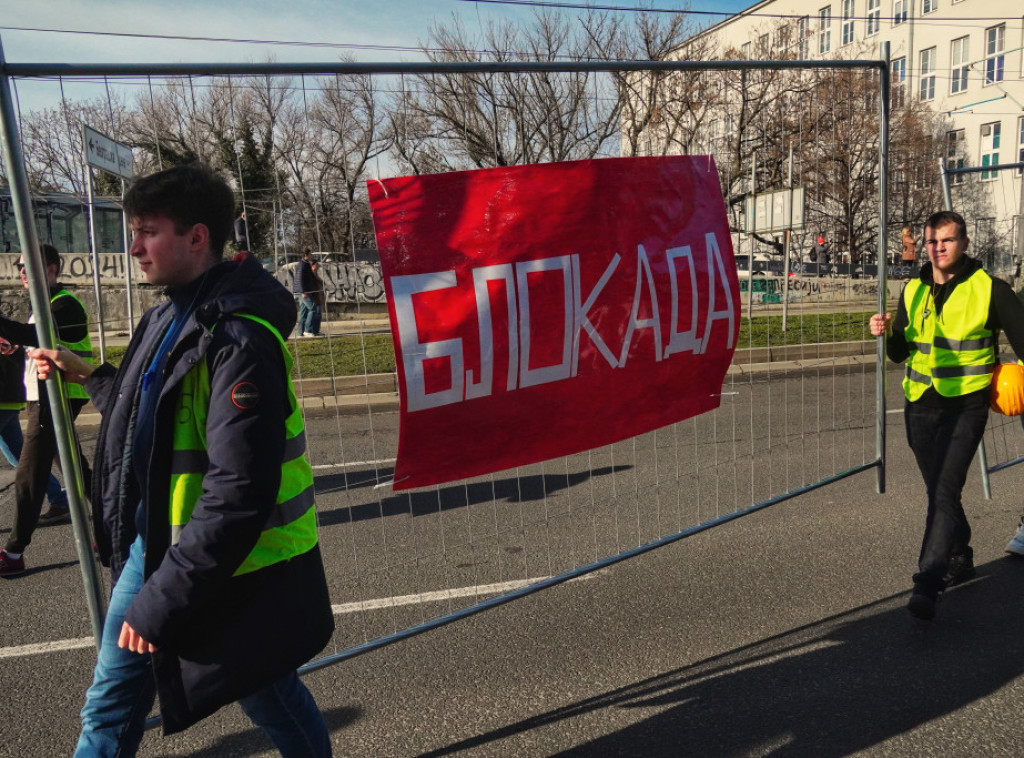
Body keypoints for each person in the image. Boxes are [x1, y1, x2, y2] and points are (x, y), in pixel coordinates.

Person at [32, 164, 334, 755]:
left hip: (211, 564)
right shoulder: (169, 312)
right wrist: (92, 374)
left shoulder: (238, 339)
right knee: (249, 689)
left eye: (147, 231)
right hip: (167, 548)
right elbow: (150, 409)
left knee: (224, 695)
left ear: (197, 238)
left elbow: (237, 491)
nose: (134, 247)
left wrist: (160, 601)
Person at [869, 210, 1024, 621]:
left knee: (943, 490)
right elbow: (902, 351)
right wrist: (886, 332)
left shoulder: (990, 289)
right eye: (933, 241)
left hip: (965, 405)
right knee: (939, 490)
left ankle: (928, 581)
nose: (939, 248)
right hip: (919, 401)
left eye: (948, 241)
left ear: (965, 244)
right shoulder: (914, 290)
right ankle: (960, 553)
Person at [0, 244, 92, 577]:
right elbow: (36, 340)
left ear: (51, 269)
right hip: (46, 393)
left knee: (29, 472)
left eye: (28, 266)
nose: (21, 271)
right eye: (19, 266)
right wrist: (15, 345)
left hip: (60, 394)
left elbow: (41, 334)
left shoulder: (65, 304)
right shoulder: (43, 303)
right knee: (74, 467)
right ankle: (112, 529)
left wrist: (6, 327)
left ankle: (13, 552)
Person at [0, 336, 69, 519]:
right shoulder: (8, 328)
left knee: (25, 460)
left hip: (4, 401)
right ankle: (59, 500)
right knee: (24, 460)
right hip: (9, 401)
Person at [293, 249, 317, 337]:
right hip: (303, 292)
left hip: (302, 291)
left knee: (303, 311)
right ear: (306, 255)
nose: (311, 256)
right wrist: (303, 292)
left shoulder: (304, 264)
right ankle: (307, 330)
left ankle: (300, 332)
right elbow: (300, 279)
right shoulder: (303, 265)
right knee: (312, 308)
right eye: (310, 254)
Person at [305, 260, 326, 337]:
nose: (318, 267)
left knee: (318, 314)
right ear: (313, 266)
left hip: (319, 296)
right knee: (314, 313)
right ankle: (309, 330)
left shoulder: (315, 274)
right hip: (314, 296)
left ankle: (316, 331)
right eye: (317, 265)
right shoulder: (310, 275)